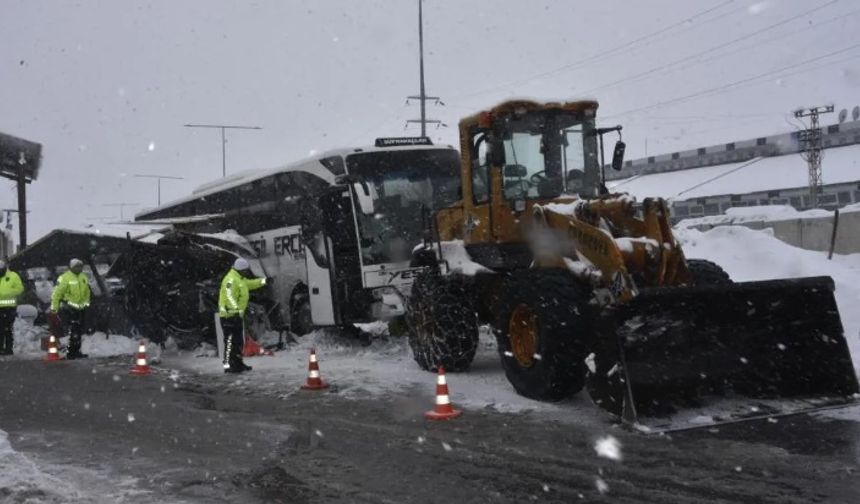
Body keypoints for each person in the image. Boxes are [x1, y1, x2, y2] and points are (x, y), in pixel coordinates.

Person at [218, 258, 266, 373]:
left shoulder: (239, 279)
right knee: (230, 341)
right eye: (245, 271)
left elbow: (249, 284)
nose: (246, 273)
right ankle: (229, 366)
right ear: (241, 270)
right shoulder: (230, 280)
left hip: (235, 316)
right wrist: (235, 310)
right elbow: (228, 296)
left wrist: (263, 282)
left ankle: (238, 364)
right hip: (229, 316)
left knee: (238, 342)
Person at [50, 259, 91, 359]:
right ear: (71, 267)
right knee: (74, 330)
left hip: (81, 309)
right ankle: (72, 352)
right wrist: (54, 308)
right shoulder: (64, 278)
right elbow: (57, 293)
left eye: (80, 266)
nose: (79, 268)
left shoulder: (83, 277)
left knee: (79, 331)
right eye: (77, 266)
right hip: (70, 308)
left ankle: (76, 351)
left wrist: (86, 303)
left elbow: (87, 292)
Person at [0, 260, 24, 355]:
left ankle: (9, 349)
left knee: (8, 329)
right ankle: (1, 348)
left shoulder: (13, 276)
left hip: (9, 308)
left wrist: (6, 294)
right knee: (1, 329)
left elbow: (19, 289)